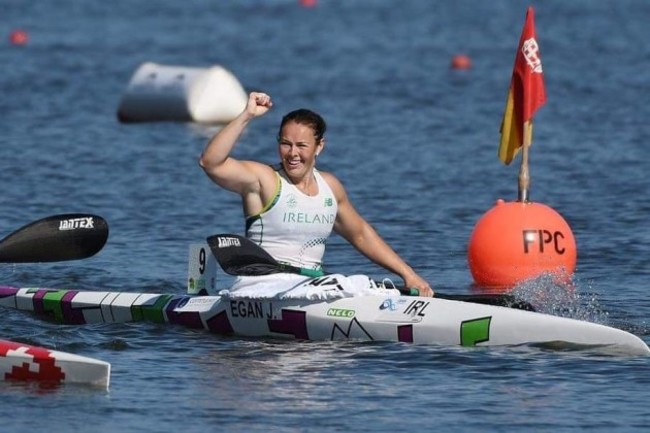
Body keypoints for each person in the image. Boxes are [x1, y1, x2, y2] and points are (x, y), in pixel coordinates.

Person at [199, 91, 433, 297]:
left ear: (319, 146)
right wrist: (246, 115)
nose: (292, 154)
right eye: (285, 144)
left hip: (312, 287)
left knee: (359, 284)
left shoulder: (330, 186)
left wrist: (408, 274)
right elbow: (210, 163)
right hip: (260, 287)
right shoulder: (264, 179)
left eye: (301, 145)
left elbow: (361, 234)